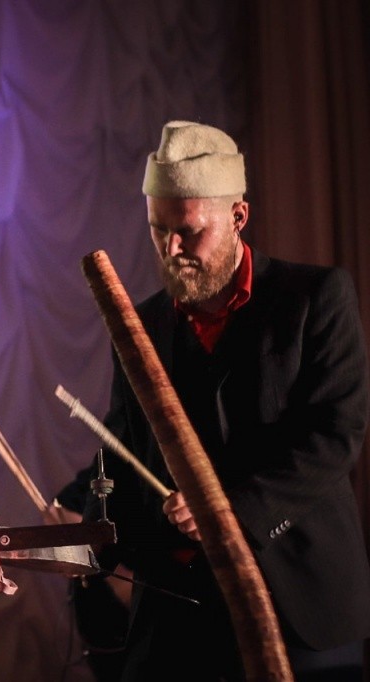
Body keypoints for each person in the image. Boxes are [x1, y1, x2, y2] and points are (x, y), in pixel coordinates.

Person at [73, 120, 370, 680]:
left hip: (298, 603)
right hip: (177, 611)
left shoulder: (315, 298)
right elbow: (120, 447)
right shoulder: (142, 324)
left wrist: (226, 510)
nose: (172, 249)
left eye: (189, 232)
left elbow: (335, 435)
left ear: (238, 216)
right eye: (158, 230)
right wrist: (86, 536)